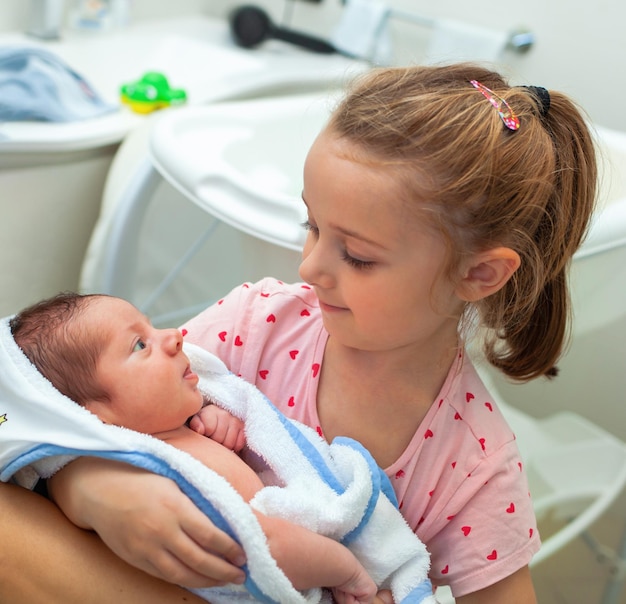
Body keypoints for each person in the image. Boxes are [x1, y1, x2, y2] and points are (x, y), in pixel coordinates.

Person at [0, 62, 597, 603]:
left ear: (479, 273)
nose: (309, 268)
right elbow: (76, 402)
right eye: (311, 225)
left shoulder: (472, 467)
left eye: (357, 256)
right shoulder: (256, 324)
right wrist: (92, 485)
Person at [9, 291, 390, 604]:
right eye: (140, 344)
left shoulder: (178, 430)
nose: (174, 335)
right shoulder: (145, 472)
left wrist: (216, 420)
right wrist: (349, 569)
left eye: (152, 326)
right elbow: (256, 546)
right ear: (92, 415)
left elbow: (249, 462)